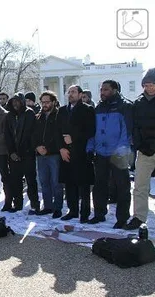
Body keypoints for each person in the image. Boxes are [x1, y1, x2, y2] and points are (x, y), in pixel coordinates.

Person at [86, 80, 132, 228]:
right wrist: (90, 147)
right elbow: (93, 130)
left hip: (118, 153)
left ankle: (122, 218)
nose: (102, 92)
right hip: (100, 152)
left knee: (122, 187)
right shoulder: (99, 107)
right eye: (101, 89)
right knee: (99, 185)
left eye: (106, 89)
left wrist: (120, 150)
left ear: (115, 90)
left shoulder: (124, 106)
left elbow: (127, 132)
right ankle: (99, 214)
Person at [124, 67, 155, 234]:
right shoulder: (138, 102)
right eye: (146, 84)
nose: (149, 87)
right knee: (140, 185)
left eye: (152, 84)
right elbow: (135, 127)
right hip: (144, 150)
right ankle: (139, 216)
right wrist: (140, 145)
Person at [57, 85, 96, 222]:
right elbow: (57, 131)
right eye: (69, 92)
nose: (71, 94)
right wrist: (61, 148)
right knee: (69, 184)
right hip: (66, 153)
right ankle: (72, 210)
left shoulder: (87, 110)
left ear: (80, 95)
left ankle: (84, 213)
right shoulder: (62, 111)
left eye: (74, 92)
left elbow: (90, 130)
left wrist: (73, 137)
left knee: (83, 185)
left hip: (81, 152)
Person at [4, 93, 40, 213]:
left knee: (31, 181)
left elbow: (31, 134)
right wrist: (12, 152)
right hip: (14, 155)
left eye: (17, 101)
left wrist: (24, 151)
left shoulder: (29, 113)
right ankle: (17, 204)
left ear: (22, 102)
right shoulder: (9, 116)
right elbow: (7, 135)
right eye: (13, 101)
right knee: (15, 181)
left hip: (27, 153)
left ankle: (34, 204)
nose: (15, 104)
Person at [31, 91, 63, 218]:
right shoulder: (38, 117)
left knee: (56, 182)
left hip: (54, 154)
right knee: (44, 181)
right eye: (42, 102)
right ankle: (48, 206)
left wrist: (48, 149)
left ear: (54, 102)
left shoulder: (59, 116)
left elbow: (58, 136)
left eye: (47, 102)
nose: (44, 104)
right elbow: (33, 135)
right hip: (40, 155)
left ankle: (58, 207)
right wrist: (37, 147)